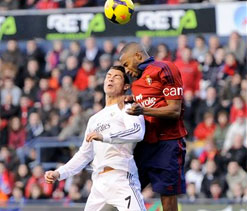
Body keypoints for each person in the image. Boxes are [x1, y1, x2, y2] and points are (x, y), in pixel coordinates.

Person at [44, 66, 146, 211]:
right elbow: (84, 155)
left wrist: (105, 136)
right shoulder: (94, 119)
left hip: (121, 177)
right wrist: (60, 173)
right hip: (98, 183)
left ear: (126, 86)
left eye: (117, 77)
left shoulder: (128, 106)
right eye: (108, 75)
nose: (110, 78)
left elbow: (137, 132)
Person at [119, 42, 187, 211]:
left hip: (168, 144)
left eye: (126, 64)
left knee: (168, 197)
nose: (126, 70)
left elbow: (174, 111)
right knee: (126, 191)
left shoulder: (165, 68)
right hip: (144, 145)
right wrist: (132, 102)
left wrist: (143, 110)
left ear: (138, 56)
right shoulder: (135, 83)